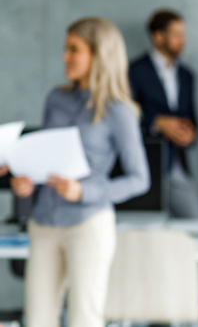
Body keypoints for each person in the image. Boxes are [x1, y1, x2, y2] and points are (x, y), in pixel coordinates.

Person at [10, 17, 150, 327]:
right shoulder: (55, 99)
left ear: (98, 55)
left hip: (88, 224)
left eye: (74, 49)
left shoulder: (119, 111)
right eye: (66, 48)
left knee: (84, 319)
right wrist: (27, 181)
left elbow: (140, 179)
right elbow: (46, 160)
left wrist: (84, 191)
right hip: (43, 223)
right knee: (37, 320)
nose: (65, 57)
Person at [129, 9, 198, 218]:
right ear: (158, 37)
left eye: (183, 35)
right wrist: (156, 122)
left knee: (194, 220)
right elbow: (123, 114)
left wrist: (190, 134)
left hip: (178, 163)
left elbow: (193, 118)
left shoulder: (187, 75)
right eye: (176, 35)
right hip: (145, 163)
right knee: (145, 225)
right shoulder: (134, 71)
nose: (183, 41)